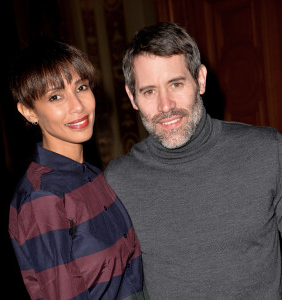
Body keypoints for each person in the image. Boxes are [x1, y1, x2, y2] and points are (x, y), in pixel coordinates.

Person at [104, 22, 282, 299]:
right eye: (149, 91)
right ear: (132, 97)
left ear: (200, 79)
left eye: (175, 84)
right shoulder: (118, 181)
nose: (165, 106)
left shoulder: (268, 151)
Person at [8, 38, 144, 300]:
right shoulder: (43, 198)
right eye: (56, 96)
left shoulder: (91, 175)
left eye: (81, 87)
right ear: (28, 111)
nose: (78, 106)